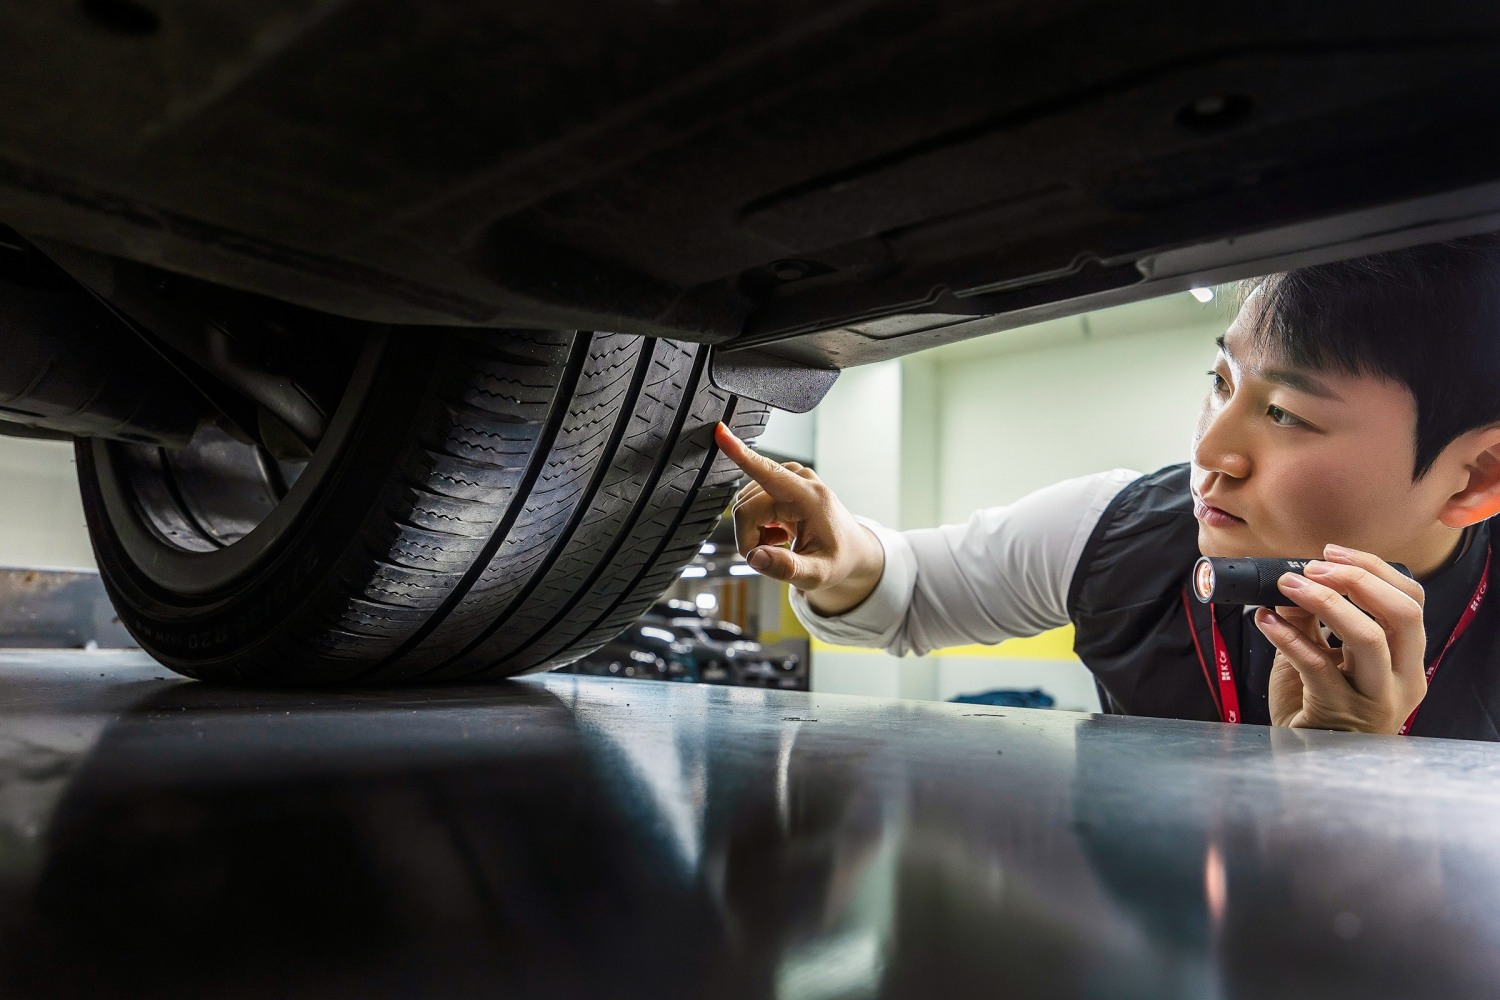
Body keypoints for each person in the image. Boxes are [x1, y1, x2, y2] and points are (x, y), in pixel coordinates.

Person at [714, 235, 1500, 740]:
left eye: (1288, 414)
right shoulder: (1114, 528)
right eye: (1220, 382)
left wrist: (1349, 779)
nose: (1210, 450)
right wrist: (843, 550)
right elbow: (912, 588)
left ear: (1476, 477)